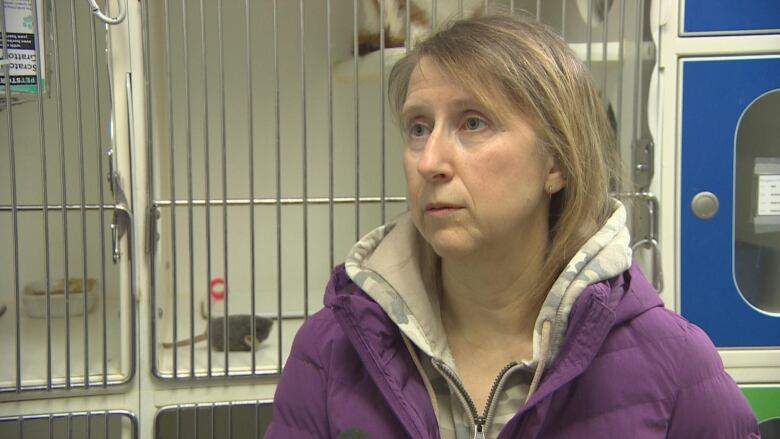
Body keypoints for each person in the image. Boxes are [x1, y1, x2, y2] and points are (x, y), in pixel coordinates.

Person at [265, 13, 759, 439]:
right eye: (419, 127)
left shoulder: (675, 365)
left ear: (556, 163)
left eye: (473, 123)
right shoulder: (331, 350)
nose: (429, 160)